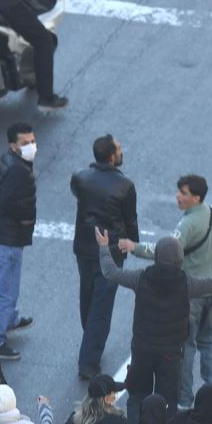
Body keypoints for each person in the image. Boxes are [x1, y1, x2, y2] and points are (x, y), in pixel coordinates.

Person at [101, 230, 212, 424]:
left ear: (157, 257)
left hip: (142, 350)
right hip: (171, 354)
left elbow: (111, 272)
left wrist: (104, 248)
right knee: (167, 400)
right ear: (180, 259)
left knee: (137, 396)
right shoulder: (187, 283)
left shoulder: (141, 278)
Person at [70, 134, 139, 380]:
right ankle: (88, 360)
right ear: (111, 156)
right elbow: (130, 219)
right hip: (110, 250)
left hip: (84, 247)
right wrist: (133, 243)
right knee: (102, 303)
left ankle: (91, 339)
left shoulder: (81, 177)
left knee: (87, 295)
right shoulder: (125, 185)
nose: (121, 152)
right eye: (118, 149)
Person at [0, 123, 40, 361]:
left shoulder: (9, 161)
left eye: (32, 141)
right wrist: (27, 219)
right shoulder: (18, 170)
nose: (31, 146)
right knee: (6, 292)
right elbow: (10, 203)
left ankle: (10, 319)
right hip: (7, 238)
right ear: (13, 146)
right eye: (25, 143)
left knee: (5, 285)